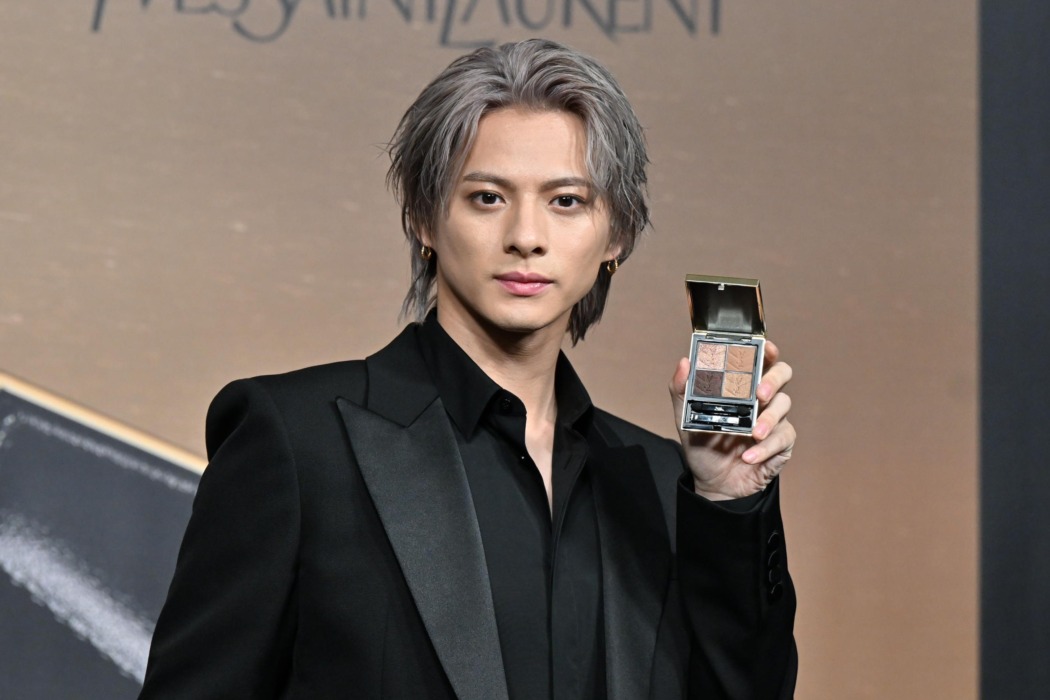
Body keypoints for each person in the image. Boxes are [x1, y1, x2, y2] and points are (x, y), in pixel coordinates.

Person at [139, 38, 797, 699]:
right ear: (424, 218)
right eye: (487, 197)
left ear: (616, 236)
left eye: (566, 201)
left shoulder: (663, 483)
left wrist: (728, 501)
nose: (526, 237)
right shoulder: (297, 440)